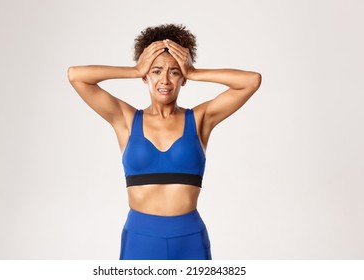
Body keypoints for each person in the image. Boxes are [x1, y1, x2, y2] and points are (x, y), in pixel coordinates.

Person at [67, 23, 261, 260]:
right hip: (140, 237)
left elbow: (251, 81)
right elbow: (76, 76)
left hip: (189, 238)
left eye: (174, 72)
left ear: (183, 79)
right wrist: (136, 69)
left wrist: (194, 72)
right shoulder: (126, 119)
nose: (165, 80)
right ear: (146, 76)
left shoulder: (200, 119)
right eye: (156, 70)